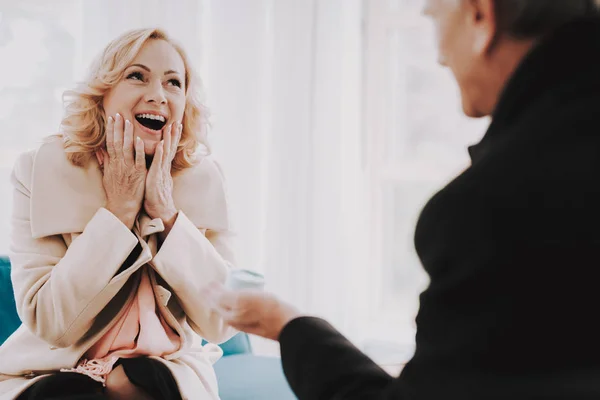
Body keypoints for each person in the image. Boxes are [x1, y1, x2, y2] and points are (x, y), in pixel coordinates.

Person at [203, 1, 600, 399]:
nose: (440, 56)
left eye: (435, 18)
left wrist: (286, 324)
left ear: (480, 16)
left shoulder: (490, 210)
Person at [0, 28, 237, 400]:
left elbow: (222, 321)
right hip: (54, 367)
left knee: (138, 384)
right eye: (137, 76)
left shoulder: (204, 179)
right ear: (102, 94)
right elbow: (49, 322)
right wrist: (118, 212)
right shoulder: (39, 170)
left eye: (173, 82)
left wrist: (168, 215)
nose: (158, 95)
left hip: (161, 368)